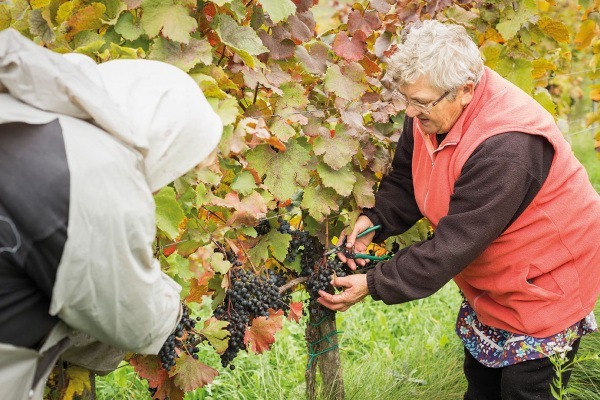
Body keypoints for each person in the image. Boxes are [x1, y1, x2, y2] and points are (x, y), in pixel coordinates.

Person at [317, 20, 600, 399]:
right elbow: (406, 177)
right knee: (481, 383)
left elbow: (453, 244)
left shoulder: (507, 147)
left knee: (525, 389)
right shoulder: (432, 105)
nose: (410, 110)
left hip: (544, 279)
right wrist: (376, 219)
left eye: (419, 102)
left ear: (465, 90)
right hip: (496, 275)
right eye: (406, 98)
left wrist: (372, 283)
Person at [0, 28, 222, 399]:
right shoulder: (93, 170)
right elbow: (135, 320)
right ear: (163, 139)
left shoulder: (27, 115)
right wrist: (174, 310)